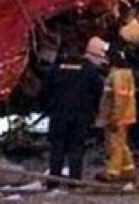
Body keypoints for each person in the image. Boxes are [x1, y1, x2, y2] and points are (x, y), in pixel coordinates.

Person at [41, 37, 107, 189]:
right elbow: (98, 91)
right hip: (80, 116)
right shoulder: (88, 70)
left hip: (59, 115)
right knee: (76, 148)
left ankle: (53, 182)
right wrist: (94, 110)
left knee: (57, 148)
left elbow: (44, 91)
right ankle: (74, 182)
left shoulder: (55, 69)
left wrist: (48, 107)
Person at [96, 48, 138, 182]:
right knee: (121, 143)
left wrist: (114, 118)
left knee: (114, 145)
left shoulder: (118, 75)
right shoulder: (124, 74)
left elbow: (119, 99)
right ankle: (128, 170)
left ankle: (112, 173)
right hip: (123, 115)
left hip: (118, 117)